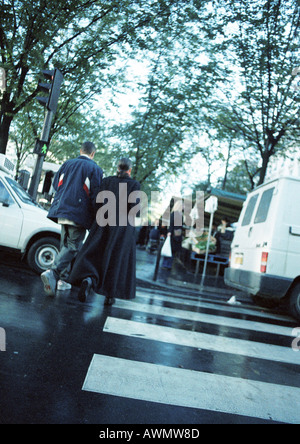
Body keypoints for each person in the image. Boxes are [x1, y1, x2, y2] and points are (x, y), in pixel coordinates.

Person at [68, 158, 140, 305]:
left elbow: (96, 202)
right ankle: (109, 295)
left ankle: (89, 279)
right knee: (115, 260)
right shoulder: (134, 185)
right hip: (121, 229)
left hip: (102, 224)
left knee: (96, 255)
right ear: (129, 170)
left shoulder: (107, 181)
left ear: (117, 168)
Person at [41, 141, 103, 296]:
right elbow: (95, 195)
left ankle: (62, 280)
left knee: (65, 245)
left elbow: (56, 185)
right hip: (78, 213)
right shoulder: (95, 169)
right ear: (93, 154)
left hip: (61, 210)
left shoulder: (67, 164)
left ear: (80, 150)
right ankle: (53, 273)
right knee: (73, 246)